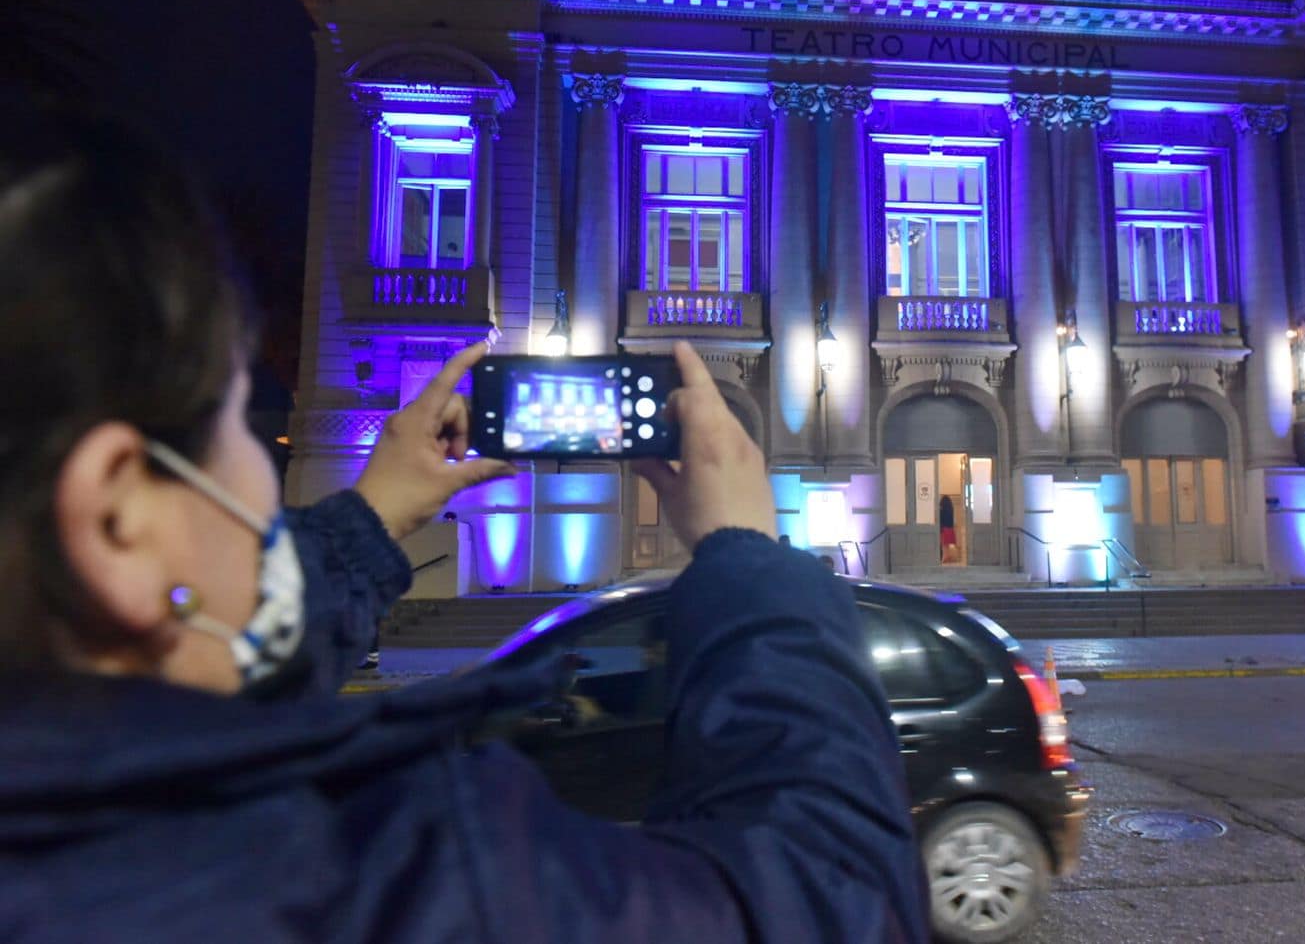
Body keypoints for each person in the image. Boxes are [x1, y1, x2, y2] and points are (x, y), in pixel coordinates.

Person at [0, 105, 927, 941]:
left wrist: (368, 520)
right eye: (239, 416)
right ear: (118, 517)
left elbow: (212, 684)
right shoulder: (387, 879)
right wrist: (749, 558)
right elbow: (829, 899)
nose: (260, 459)